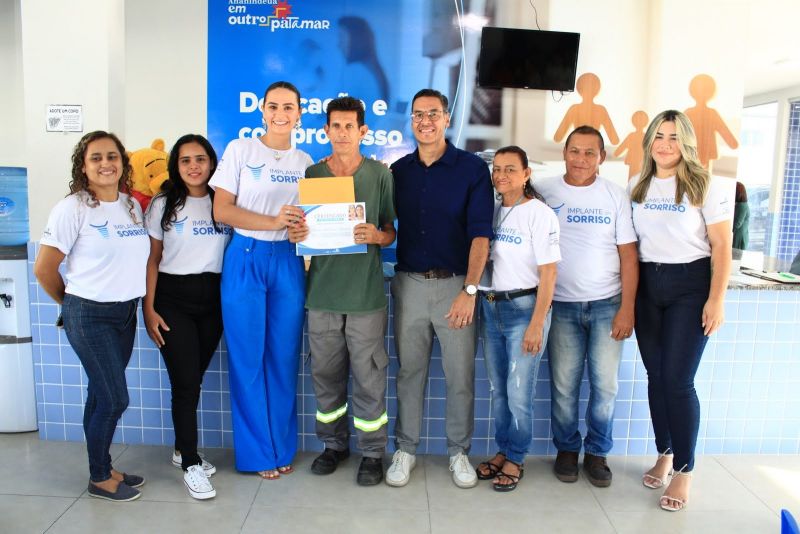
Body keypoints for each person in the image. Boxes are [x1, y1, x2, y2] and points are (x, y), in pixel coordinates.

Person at [34, 131, 149, 502]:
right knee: (115, 399)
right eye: (96, 157)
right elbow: (44, 269)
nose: (105, 164)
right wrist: (69, 305)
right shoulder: (73, 208)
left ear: (123, 163)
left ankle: (104, 466)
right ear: (83, 167)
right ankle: (99, 477)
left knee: (99, 395)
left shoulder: (132, 206)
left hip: (125, 313)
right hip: (89, 314)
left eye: (112, 156)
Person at [387, 88, 493, 489]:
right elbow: (376, 221)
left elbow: (481, 236)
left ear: (446, 119)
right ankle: (406, 450)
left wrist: (470, 289)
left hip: (455, 288)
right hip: (410, 284)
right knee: (408, 372)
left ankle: (458, 453)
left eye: (433, 114)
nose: (425, 121)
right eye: (418, 114)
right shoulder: (398, 172)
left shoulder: (470, 169)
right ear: (411, 120)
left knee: (460, 375)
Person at [288, 96, 396, 486]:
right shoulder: (313, 175)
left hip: (365, 298)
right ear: (326, 130)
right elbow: (300, 233)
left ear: (362, 131)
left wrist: (378, 236)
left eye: (350, 126)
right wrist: (296, 233)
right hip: (322, 296)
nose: (343, 132)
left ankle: (372, 453)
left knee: (369, 378)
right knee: (326, 376)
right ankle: (333, 446)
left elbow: (390, 231)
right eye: (336, 126)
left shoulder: (379, 176)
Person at [629, 110, 733, 512]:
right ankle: (665, 452)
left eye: (673, 137)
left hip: (690, 288)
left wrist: (716, 298)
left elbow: (721, 247)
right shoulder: (637, 184)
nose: (665, 144)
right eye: (659, 135)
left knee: (678, 380)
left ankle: (685, 469)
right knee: (657, 376)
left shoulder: (705, 185)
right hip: (648, 288)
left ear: (685, 142)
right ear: (649, 141)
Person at [210, 81, 313, 480]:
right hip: (246, 257)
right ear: (262, 110)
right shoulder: (240, 150)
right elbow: (222, 210)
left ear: (300, 114)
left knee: (283, 358)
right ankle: (257, 454)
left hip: (287, 262)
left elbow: (309, 223)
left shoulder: (306, 163)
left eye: (289, 107)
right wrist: (272, 222)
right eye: (273, 106)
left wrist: (303, 233)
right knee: (247, 358)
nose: (280, 113)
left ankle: (281, 447)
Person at [536, 126, 639, 488]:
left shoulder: (615, 195)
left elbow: (629, 255)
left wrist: (628, 308)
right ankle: (566, 449)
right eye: (574, 151)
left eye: (589, 153)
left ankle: (597, 453)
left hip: (606, 305)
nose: (581, 159)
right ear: (564, 153)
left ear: (602, 158)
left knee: (605, 386)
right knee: (563, 386)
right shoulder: (544, 191)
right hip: (559, 306)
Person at [143, 134, 229, 500]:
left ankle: (181, 449)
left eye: (200, 159)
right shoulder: (164, 203)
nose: (194, 166)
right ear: (175, 166)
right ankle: (191, 463)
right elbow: (151, 258)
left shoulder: (224, 201)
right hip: (172, 301)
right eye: (185, 160)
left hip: (214, 301)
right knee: (185, 383)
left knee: (194, 378)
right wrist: (148, 308)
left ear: (211, 162)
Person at [475, 146, 559, 492]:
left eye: (510, 169)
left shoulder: (539, 214)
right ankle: (503, 449)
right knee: (499, 390)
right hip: (491, 305)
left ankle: (517, 457)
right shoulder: (493, 210)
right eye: (497, 169)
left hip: (524, 309)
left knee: (519, 390)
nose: (501, 175)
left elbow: (549, 273)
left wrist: (537, 322)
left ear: (527, 174)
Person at [732, 181, 749, 250]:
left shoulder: (742, 205)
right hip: (738, 235)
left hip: (739, 238)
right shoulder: (740, 204)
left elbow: (737, 224)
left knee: (736, 259)